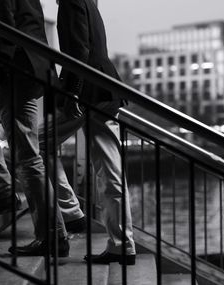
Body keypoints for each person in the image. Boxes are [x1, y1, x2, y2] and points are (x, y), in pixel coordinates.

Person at [0, 0, 69, 257]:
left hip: (15, 73)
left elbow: (3, 28)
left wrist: (4, 68)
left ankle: (53, 236)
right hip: (27, 69)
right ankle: (2, 192)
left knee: (28, 158)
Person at [39, 0, 136, 265]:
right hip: (106, 87)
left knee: (38, 143)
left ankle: (71, 212)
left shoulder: (71, 1)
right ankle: (122, 244)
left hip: (88, 90)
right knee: (111, 169)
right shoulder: (88, 2)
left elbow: (79, 52)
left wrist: (73, 93)